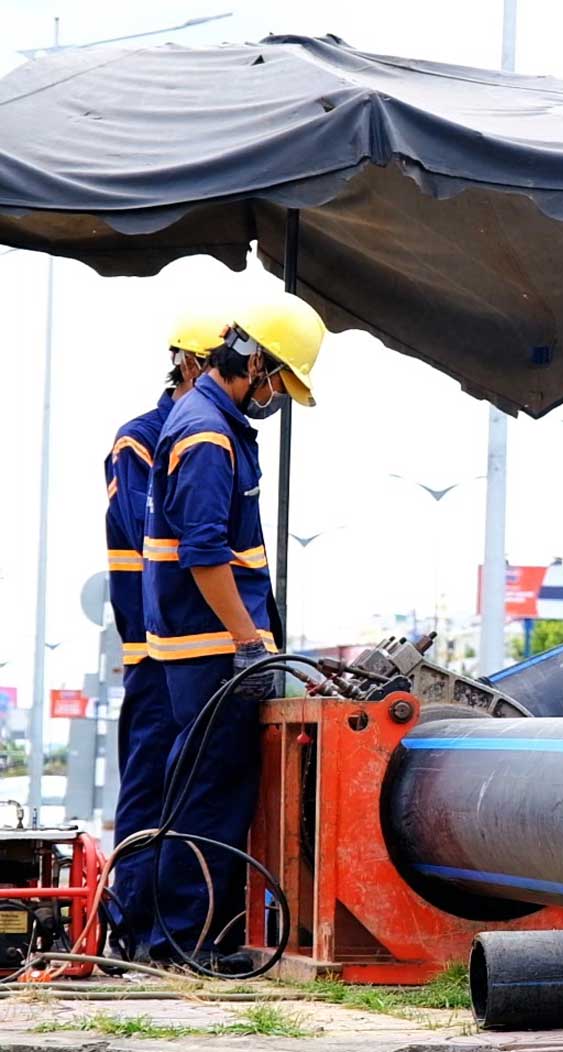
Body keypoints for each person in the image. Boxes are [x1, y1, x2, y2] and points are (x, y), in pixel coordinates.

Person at [142, 291, 325, 969]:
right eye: (278, 380)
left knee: (207, 788)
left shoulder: (208, 422)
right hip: (212, 648)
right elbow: (205, 555)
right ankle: (190, 945)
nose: (276, 396)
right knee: (210, 793)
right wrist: (249, 639)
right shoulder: (208, 434)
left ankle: (188, 940)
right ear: (252, 361)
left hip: (206, 645)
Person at [104, 310, 222, 959]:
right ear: (186, 363)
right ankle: (136, 924)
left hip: (194, 651)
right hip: (156, 651)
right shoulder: (143, 440)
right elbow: (162, 532)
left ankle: (177, 929)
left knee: (190, 788)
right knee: (151, 784)